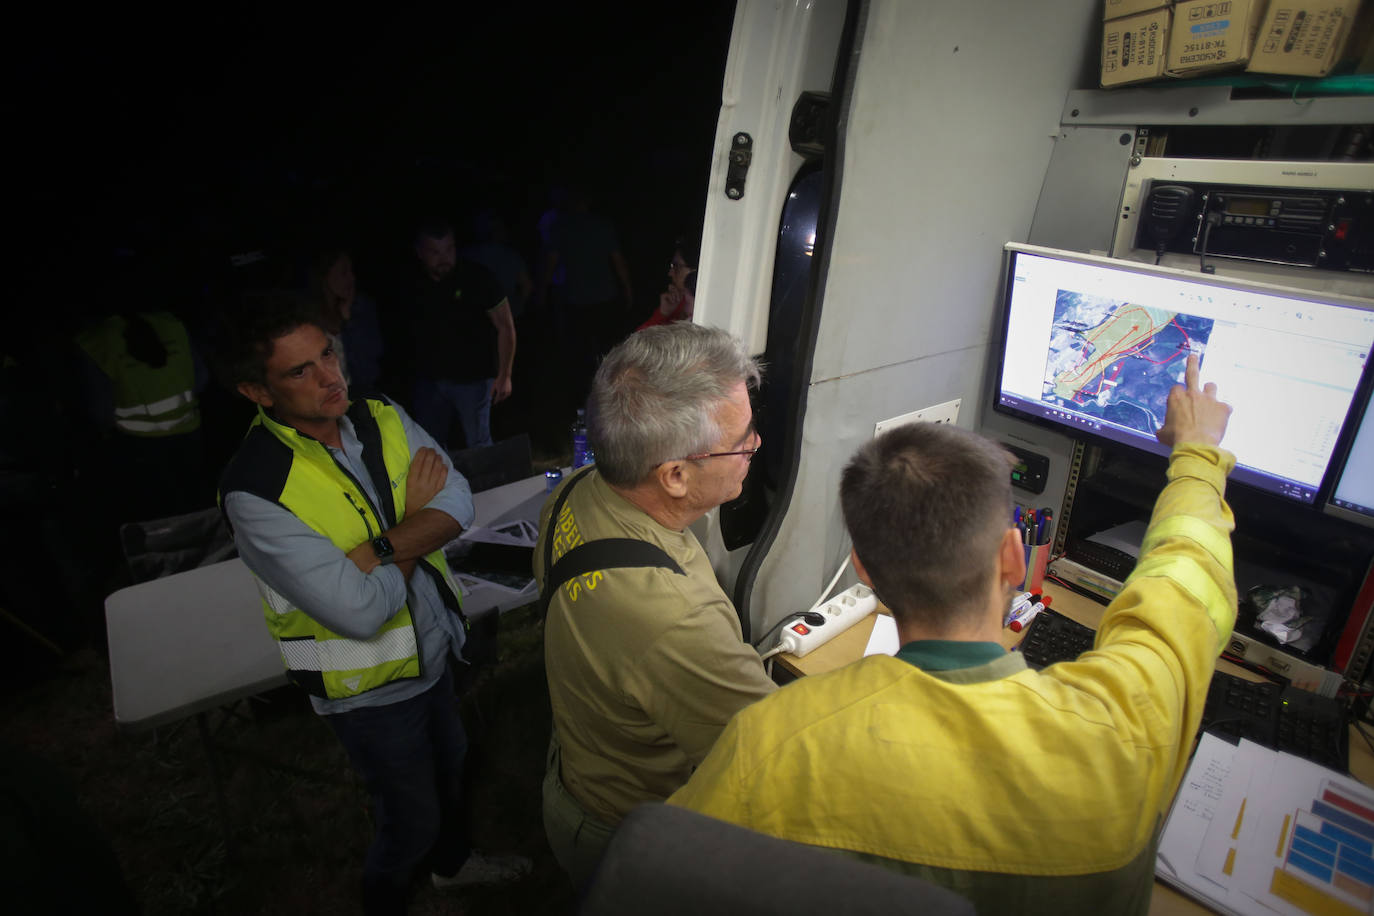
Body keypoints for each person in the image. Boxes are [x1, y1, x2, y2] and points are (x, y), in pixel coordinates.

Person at [669, 354, 1237, 916]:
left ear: (864, 569)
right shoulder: (1127, 729)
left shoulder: (770, 741)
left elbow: (670, 875)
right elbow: (1182, 581)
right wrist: (1198, 457)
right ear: (1014, 557)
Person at [215, 292, 528, 915]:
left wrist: (381, 546)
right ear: (258, 392)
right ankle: (384, 901)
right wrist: (417, 520)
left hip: (436, 648)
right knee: (408, 819)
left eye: (327, 353)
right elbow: (360, 612)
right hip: (369, 690)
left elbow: (459, 500)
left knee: (452, 767)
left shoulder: (379, 413)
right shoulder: (255, 490)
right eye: (300, 371)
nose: (331, 377)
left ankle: (453, 868)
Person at [534, 322, 778, 886]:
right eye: (742, 439)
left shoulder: (578, 489)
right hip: (633, 839)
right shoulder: (674, 619)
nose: (755, 445)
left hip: (578, 772)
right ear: (673, 476)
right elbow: (774, 758)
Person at [408, 221, 516, 450]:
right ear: (420, 252)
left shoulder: (477, 278)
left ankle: (490, 486)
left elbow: (505, 327)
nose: (444, 258)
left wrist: (505, 375)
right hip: (430, 381)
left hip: (474, 380)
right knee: (430, 446)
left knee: (480, 444)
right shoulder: (413, 284)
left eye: (449, 249)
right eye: (435, 252)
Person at [310, 246, 385, 397]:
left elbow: (370, 365)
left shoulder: (361, 307)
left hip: (360, 395)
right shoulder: (308, 317)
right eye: (343, 273)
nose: (351, 278)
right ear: (325, 277)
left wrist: (348, 320)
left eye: (352, 271)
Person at [636, 234, 699, 331]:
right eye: (672, 266)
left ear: (694, 270)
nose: (670, 273)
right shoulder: (676, 302)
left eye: (677, 266)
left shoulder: (700, 308)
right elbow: (638, 342)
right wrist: (662, 314)